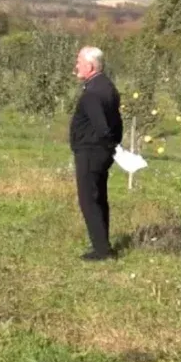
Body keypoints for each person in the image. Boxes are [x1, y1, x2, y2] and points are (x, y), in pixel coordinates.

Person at [68, 46, 124, 261]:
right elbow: (117, 122)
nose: (76, 67)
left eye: (79, 63)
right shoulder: (107, 86)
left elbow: (102, 127)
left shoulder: (92, 93)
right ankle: (103, 245)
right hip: (101, 153)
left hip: (91, 152)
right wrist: (113, 146)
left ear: (90, 66)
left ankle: (101, 250)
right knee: (99, 197)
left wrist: (108, 145)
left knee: (89, 200)